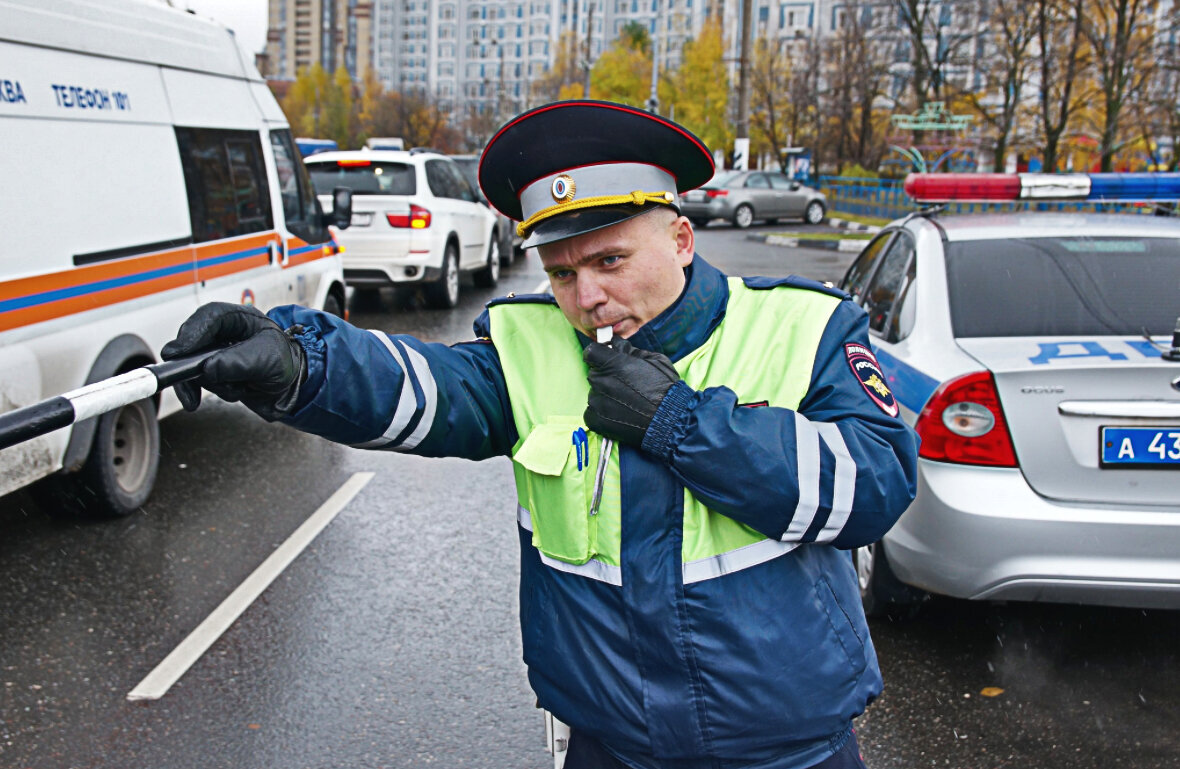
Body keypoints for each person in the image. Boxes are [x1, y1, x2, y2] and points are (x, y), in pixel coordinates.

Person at [163, 100, 919, 769]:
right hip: (609, 744)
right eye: (560, 274)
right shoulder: (533, 346)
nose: (587, 298)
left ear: (682, 239)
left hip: (785, 750)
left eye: (610, 260)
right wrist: (297, 361)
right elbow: (423, 389)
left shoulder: (804, 326)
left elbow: (877, 482)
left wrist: (683, 424)